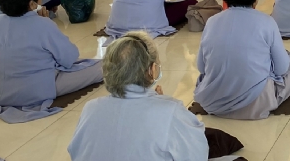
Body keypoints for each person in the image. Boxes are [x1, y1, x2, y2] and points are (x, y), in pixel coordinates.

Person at [67, 32, 244, 161]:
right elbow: (197, 154)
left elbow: (76, 152)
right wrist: (165, 107)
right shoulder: (170, 110)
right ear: (152, 70)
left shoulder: (91, 108)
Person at [193, 0, 290, 119]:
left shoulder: (212, 22)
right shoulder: (266, 22)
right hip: (256, 104)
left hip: (213, 103)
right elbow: (281, 69)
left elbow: (201, 67)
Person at [0, 0, 102, 123]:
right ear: (33, 4)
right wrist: (45, 22)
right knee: (103, 67)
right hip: (34, 90)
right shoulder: (42, 24)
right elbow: (69, 58)